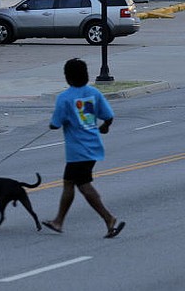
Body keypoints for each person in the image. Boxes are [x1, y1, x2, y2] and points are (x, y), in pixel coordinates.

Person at [43, 58, 125, 238]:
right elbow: (108, 116)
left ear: (67, 77)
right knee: (69, 183)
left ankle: (109, 218)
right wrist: (105, 127)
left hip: (77, 151)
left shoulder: (64, 98)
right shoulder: (94, 93)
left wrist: (54, 124)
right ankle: (58, 221)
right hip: (93, 147)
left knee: (83, 186)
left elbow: (55, 124)